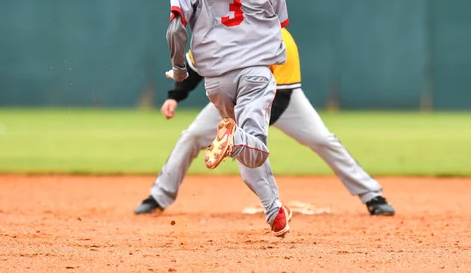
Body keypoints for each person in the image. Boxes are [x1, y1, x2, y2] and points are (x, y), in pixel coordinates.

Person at [137, 28, 396, 218]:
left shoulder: (280, 40)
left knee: (321, 139)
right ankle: (158, 196)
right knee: (192, 136)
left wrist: (244, 136)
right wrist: (174, 97)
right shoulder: (219, 32)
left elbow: (279, 97)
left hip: (284, 100)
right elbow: (194, 68)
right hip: (231, 100)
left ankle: (372, 194)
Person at [164, 0, 292, 237]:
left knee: (248, 145)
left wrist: (179, 69)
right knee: (250, 146)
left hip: (215, 81)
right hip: (255, 74)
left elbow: (176, 28)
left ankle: (274, 212)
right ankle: (233, 140)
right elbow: (281, 23)